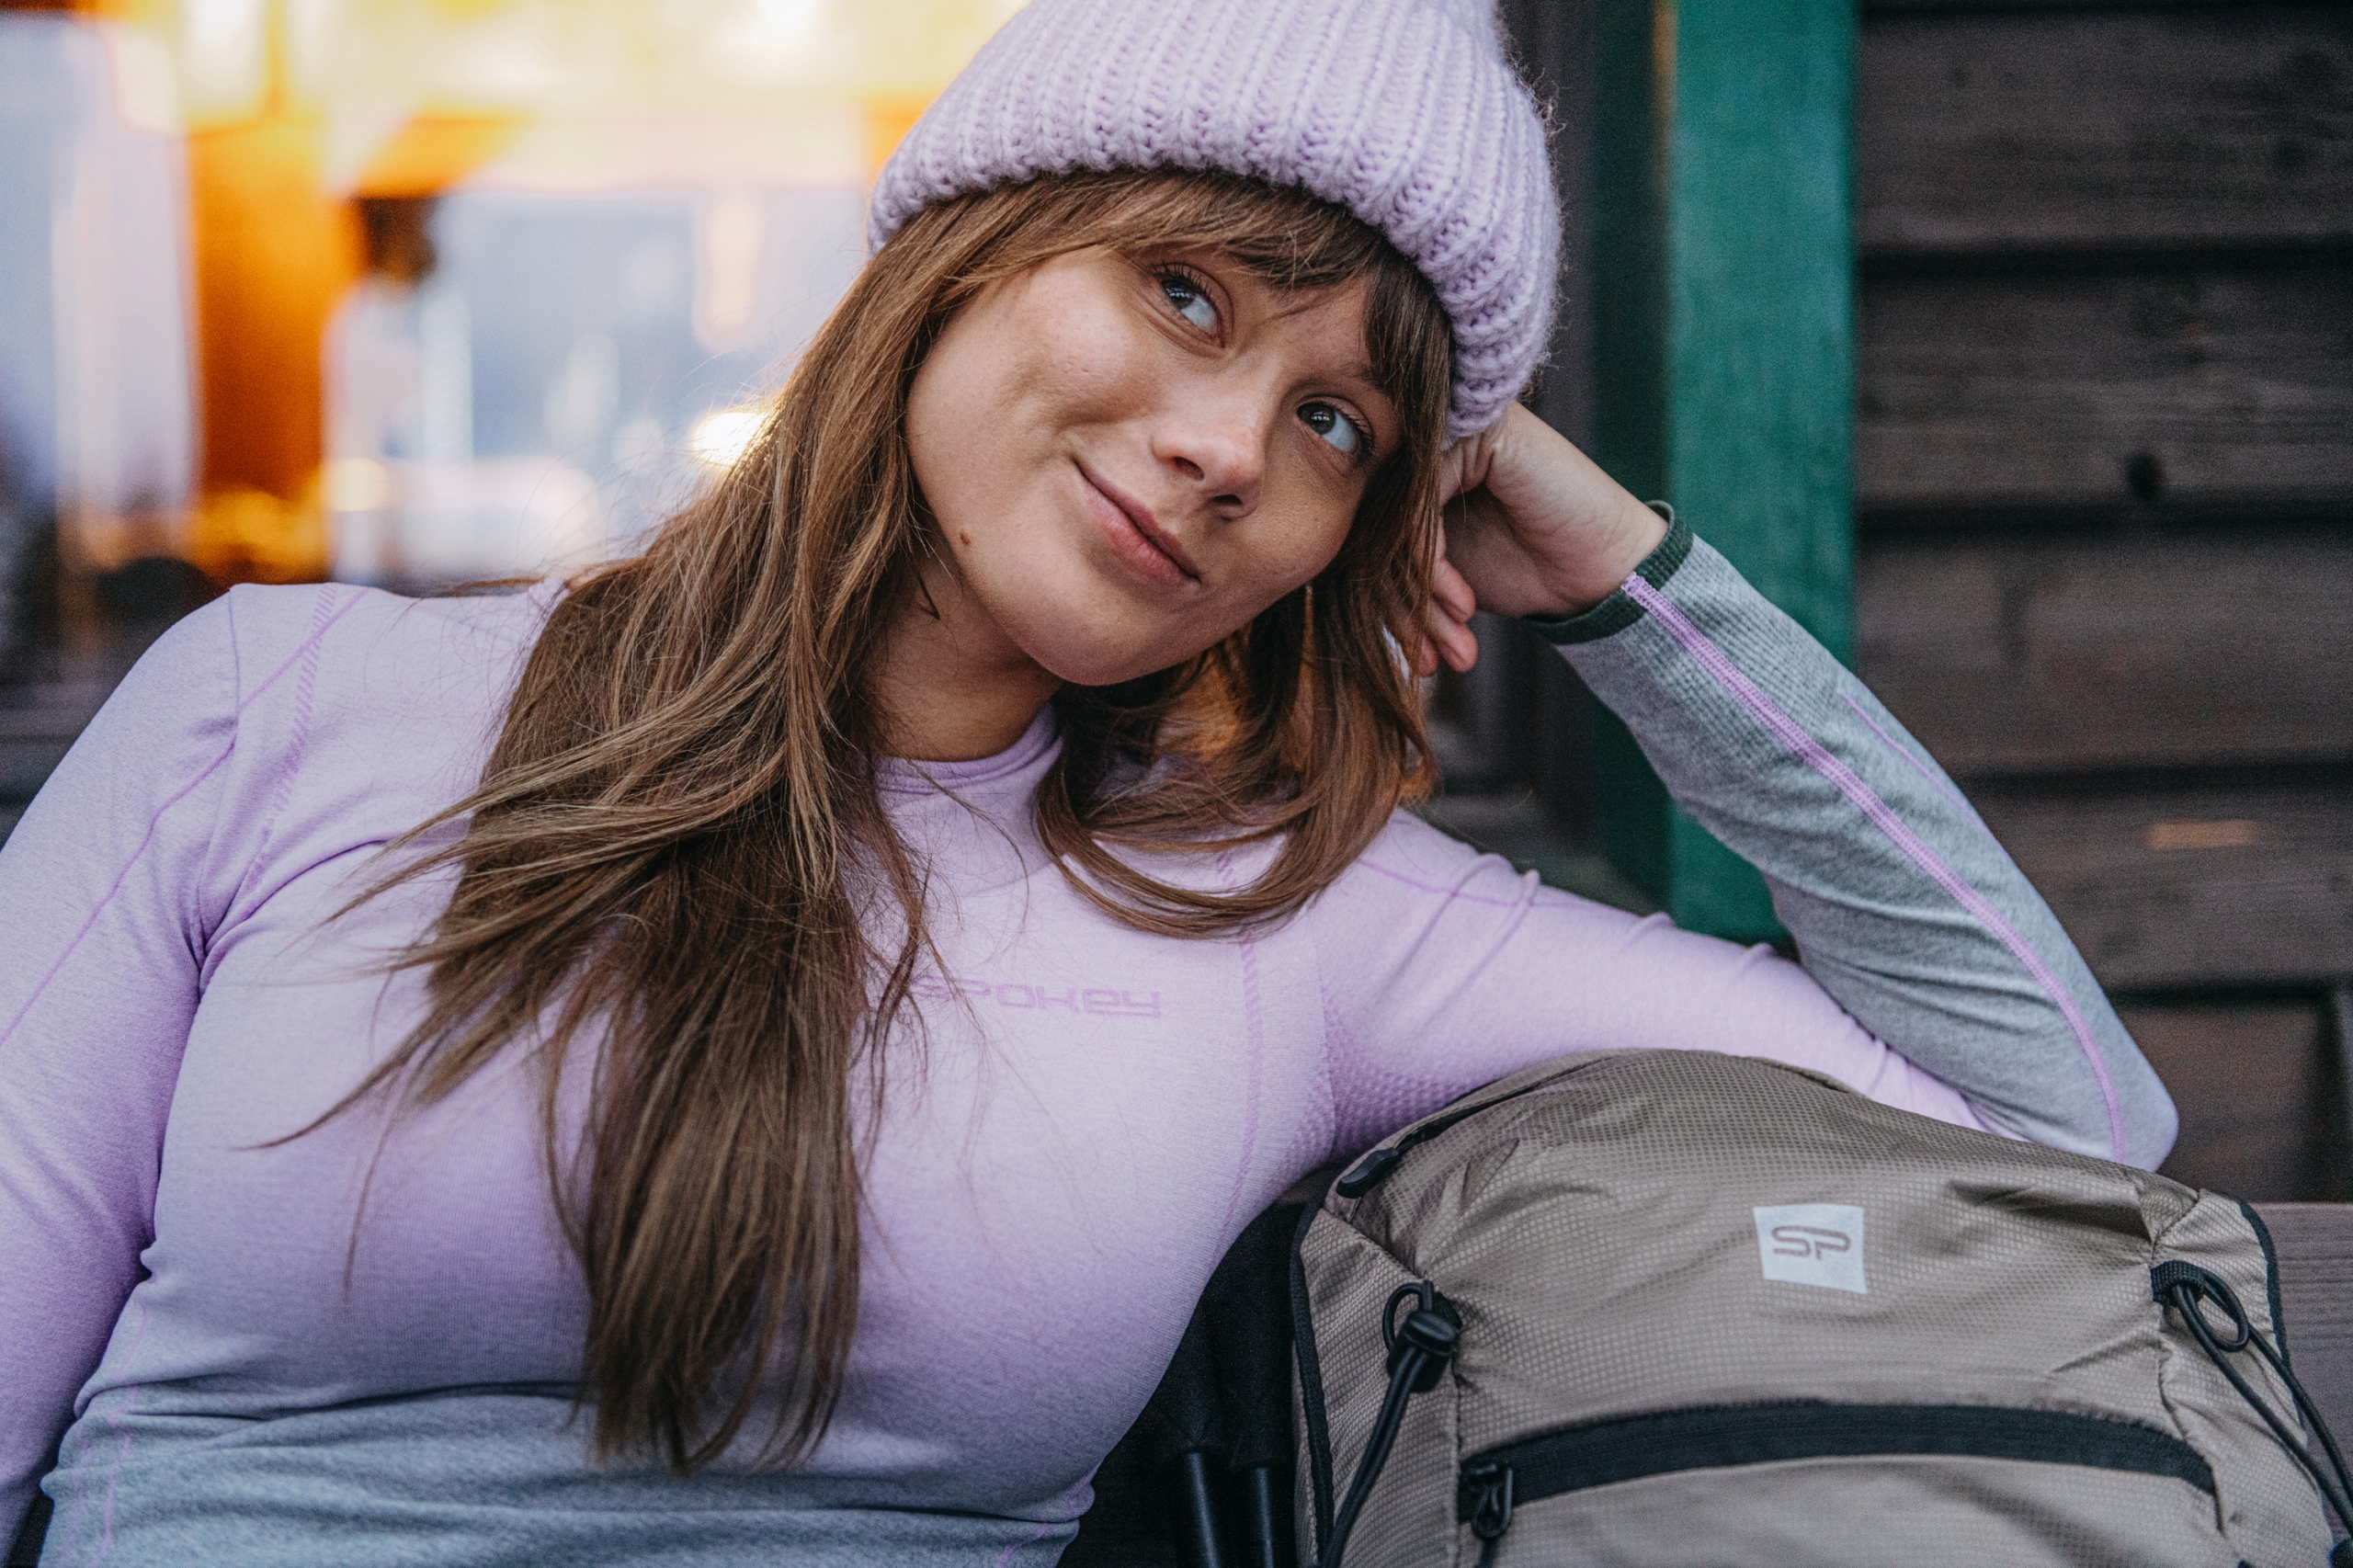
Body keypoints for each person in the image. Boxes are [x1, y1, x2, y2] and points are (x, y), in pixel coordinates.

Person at [0, 1, 2175, 1563]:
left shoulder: (1294, 920)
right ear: (959, 258)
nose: (1228, 447)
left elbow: (2057, 1108)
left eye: (1337, 424)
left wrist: (1621, 578)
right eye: (1185, 293)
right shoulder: (282, 708)